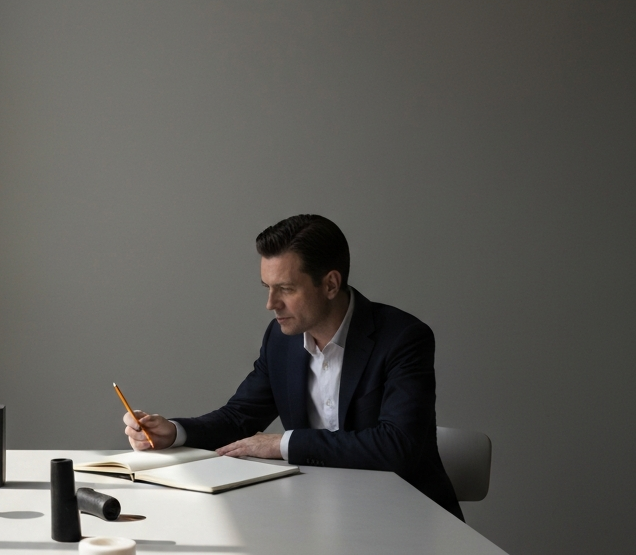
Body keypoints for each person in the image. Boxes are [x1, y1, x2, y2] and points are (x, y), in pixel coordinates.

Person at [122, 214, 463, 519]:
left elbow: (397, 447)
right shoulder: (282, 338)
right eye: (267, 288)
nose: (271, 304)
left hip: (408, 520)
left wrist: (281, 444)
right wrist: (174, 432)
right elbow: (239, 417)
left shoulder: (403, 338)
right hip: (317, 514)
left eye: (285, 288)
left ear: (330, 284)